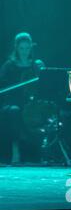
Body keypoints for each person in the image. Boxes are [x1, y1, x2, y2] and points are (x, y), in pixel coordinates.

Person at [0, 32, 45, 164]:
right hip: (12, 100)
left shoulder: (35, 65)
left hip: (31, 101)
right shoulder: (9, 65)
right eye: (21, 48)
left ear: (31, 48)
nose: (24, 51)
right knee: (14, 111)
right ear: (16, 48)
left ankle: (37, 154)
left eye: (27, 48)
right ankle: (15, 150)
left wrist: (42, 70)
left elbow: (42, 85)